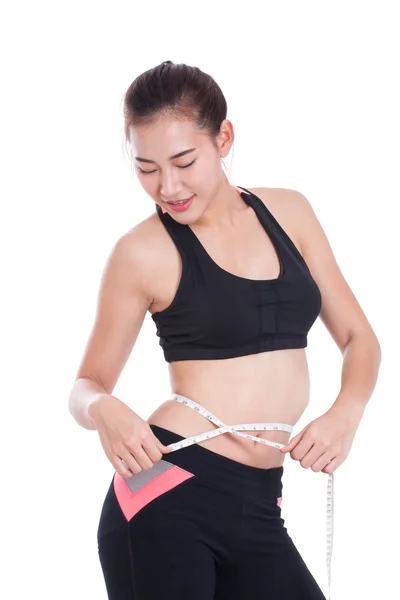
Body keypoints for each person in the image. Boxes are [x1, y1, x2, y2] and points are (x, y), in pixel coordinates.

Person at [68, 60, 381, 600]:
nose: (167, 186)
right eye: (146, 168)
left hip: (261, 503)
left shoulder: (290, 213)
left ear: (224, 138)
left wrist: (346, 413)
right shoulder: (141, 253)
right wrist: (103, 410)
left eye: (184, 161)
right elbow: (85, 385)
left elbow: (360, 338)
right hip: (166, 495)